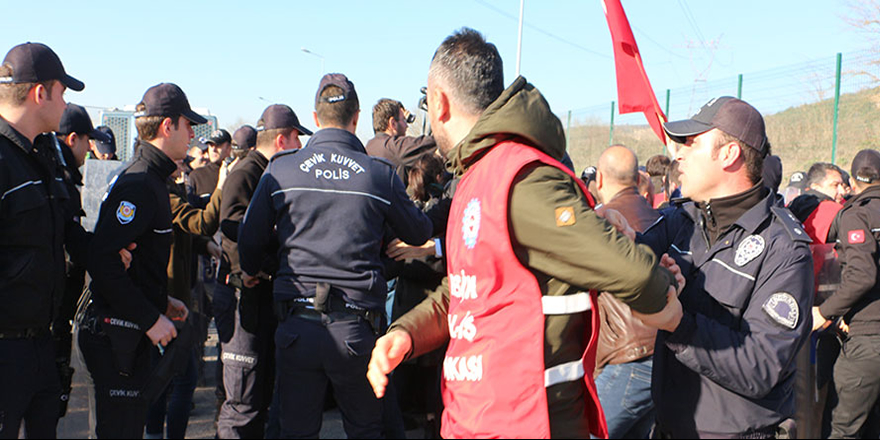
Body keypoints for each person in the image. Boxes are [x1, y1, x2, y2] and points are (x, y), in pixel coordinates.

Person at [366, 28, 683, 439]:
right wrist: (406, 333)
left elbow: (635, 274)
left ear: (440, 103)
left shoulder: (520, 179)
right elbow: (467, 293)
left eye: (426, 101)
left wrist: (666, 305)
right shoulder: (475, 177)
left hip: (528, 423)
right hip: (477, 419)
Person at [238, 73, 433, 438]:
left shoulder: (281, 169)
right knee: (365, 430)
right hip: (356, 332)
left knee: (295, 431)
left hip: (296, 325)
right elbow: (419, 232)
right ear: (356, 118)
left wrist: (257, 269)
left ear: (314, 119)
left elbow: (250, 239)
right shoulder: (379, 175)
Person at [638, 96, 814, 438]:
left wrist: (678, 323)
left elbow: (761, 365)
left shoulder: (785, 249)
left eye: (692, 143)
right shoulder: (682, 219)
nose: (678, 154)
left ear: (729, 154)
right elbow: (625, 258)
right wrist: (603, 225)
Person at [81, 82, 206, 438]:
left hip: (130, 331)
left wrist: (160, 301)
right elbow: (104, 262)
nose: (193, 134)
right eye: (188, 124)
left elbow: (134, 264)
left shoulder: (152, 179)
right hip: (118, 338)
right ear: (168, 126)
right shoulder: (139, 184)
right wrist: (150, 317)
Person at [0, 41, 91, 439]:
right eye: (62, 92)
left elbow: (68, 232)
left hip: (43, 344)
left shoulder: (47, 156)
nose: (64, 102)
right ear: (41, 93)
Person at [215, 104, 312, 439]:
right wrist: (250, 266)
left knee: (264, 398)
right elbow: (231, 227)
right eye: (298, 138)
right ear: (284, 139)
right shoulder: (248, 172)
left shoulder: (272, 172)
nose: (301, 148)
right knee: (242, 404)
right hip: (245, 297)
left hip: (264, 296)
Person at [592, 145, 662, 439]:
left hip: (628, 355)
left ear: (600, 179)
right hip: (660, 351)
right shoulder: (659, 216)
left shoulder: (601, 221)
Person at [52, 103, 114, 420]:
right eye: (88, 141)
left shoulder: (61, 174)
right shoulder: (56, 175)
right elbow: (71, 242)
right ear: (73, 138)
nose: (90, 149)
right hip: (49, 314)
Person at [813, 149, 880, 438]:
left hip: (868, 337)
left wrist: (825, 311)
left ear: (852, 183)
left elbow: (862, 275)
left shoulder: (856, 213)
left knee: (843, 428)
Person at [365, 98, 436, 185]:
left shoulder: (368, 147)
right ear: (393, 123)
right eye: (404, 120)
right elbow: (433, 141)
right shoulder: (395, 147)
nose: (406, 126)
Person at [788, 162, 846, 244]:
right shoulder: (835, 211)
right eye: (835, 185)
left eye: (842, 185)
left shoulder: (788, 208)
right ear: (815, 187)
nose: (842, 191)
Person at [188, 128, 231, 208]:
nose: (214, 149)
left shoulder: (235, 172)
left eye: (218, 145)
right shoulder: (196, 176)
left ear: (229, 148)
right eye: (211, 145)